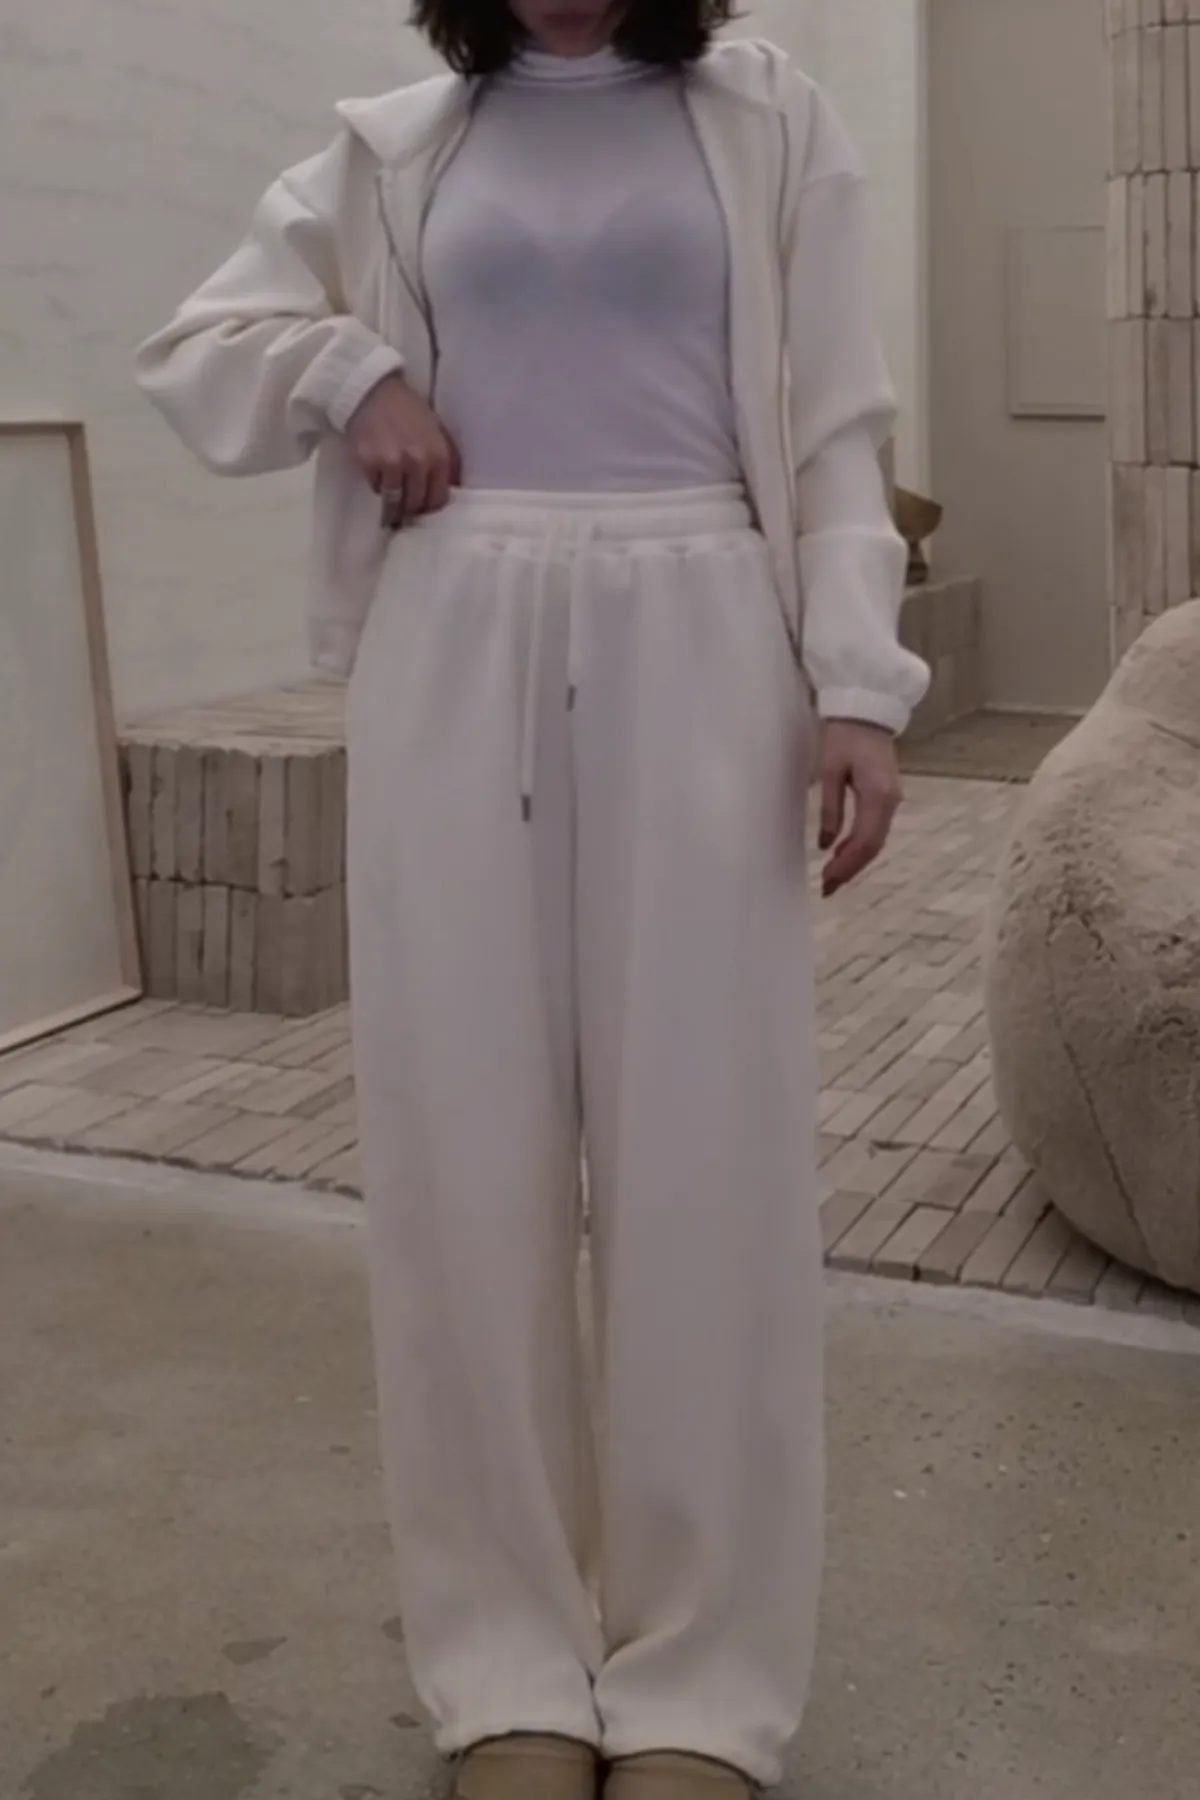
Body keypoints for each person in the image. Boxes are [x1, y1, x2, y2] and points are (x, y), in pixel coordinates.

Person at [136, 3, 930, 1798]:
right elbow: (200, 346)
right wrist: (351, 372)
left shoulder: (771, 119)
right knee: (461, 1157)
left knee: (707, 1164)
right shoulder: (401, 142)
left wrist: (858, 682)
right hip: (453, 634)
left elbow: (837, 420)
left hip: (704, 627)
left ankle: (701, 1684)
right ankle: (505, 1666)